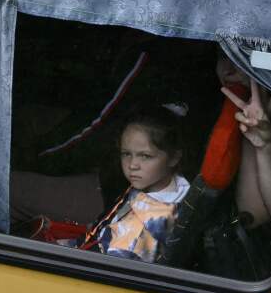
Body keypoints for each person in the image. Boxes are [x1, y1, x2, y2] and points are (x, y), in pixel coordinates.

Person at [79, 107, 190, 262]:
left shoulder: (143, 230)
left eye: (145, 156)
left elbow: (109, 268)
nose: (132, 165)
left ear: (174, 158)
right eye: (126, 154)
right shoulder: (162, 184)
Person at [217, 54, 271, 227]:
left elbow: (264, 214)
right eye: (223, 55)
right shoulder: (208, 99)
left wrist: (263, 145)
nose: (227, 71)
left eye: (242, 57)